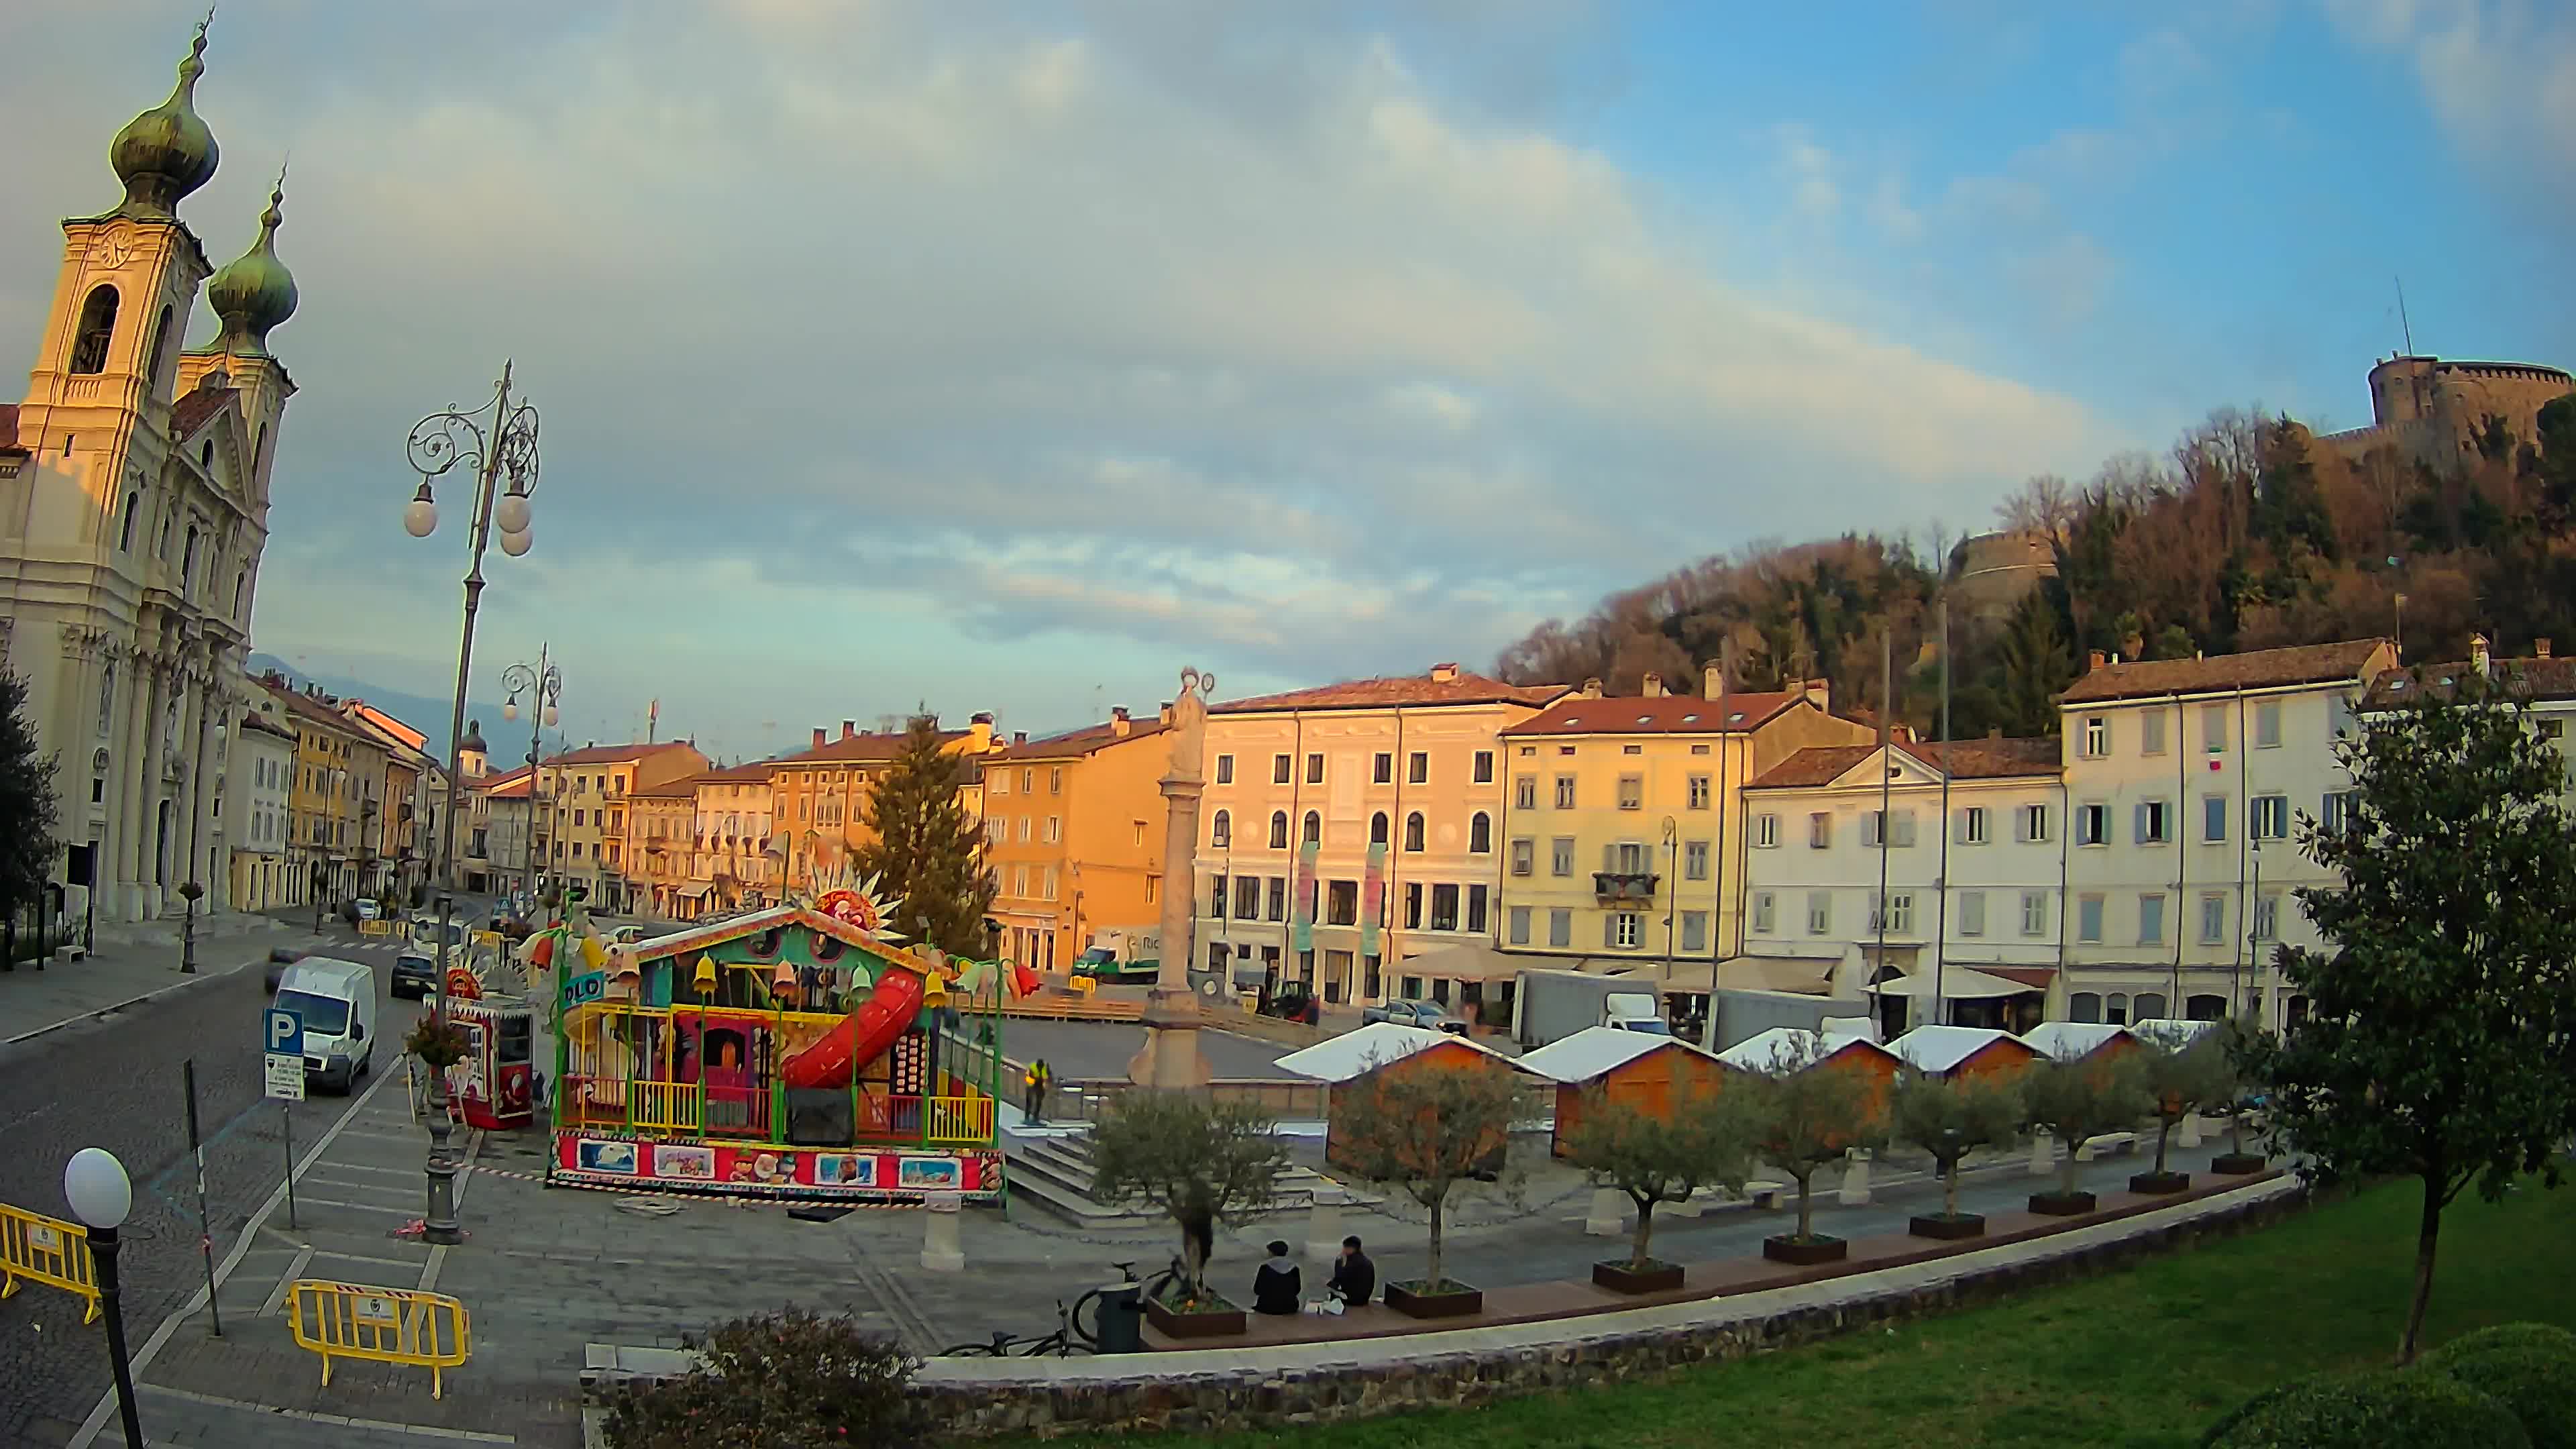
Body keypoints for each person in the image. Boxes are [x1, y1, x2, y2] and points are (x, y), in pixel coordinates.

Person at [1252, 1239, 1301, 1316]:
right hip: (1290, 1307)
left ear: (1272, 1253)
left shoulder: (1265, 1267)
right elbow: (1297, 1290)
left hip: (1267, 1307)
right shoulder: (1294, 1268)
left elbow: (1257, 1290)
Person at [1327, 1235, 1375, 1308]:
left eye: (1344, 1248)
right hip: (1364, 1299)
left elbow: (1340, 1282)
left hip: (1353, 1300)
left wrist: (1339, 1263)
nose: (1343, 1250)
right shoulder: (1367, 1261)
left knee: (1331, 1292)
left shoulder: (1351, 1262)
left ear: (1350, 1249)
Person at [1022, 1058, 1053, 1124]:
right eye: (1039, 1067)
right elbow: (1029, 1076)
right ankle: (1027, 1117)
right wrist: (1036, 1080)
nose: (1040, 1068)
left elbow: (1048, 1076)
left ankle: (1036, 1117)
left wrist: (1047, 1083)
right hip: (1031, 1084)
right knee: (1029, 1101)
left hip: (1040, 1084)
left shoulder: (1044, 1067)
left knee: (1039, 1101)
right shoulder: (1032, 1067)